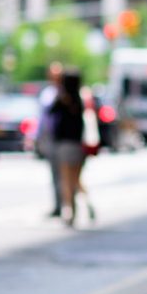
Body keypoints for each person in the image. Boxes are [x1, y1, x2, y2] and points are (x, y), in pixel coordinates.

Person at [50, 70, 96, 227]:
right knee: (76, 180)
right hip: (78, 145)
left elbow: (51, 112)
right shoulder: (81, 98)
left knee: (66, 180)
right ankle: (87, 204)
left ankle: (70, 211)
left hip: (65, 145)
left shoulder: (62, 99)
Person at [34, 62, 63, 218]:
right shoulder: (47, 94)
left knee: (69, 176)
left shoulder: (68, 93)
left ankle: (71, 203)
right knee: (56, 174)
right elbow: (42, 119)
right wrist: (37, 137)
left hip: (66, 140)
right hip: (51, 139)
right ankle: (59, 205)